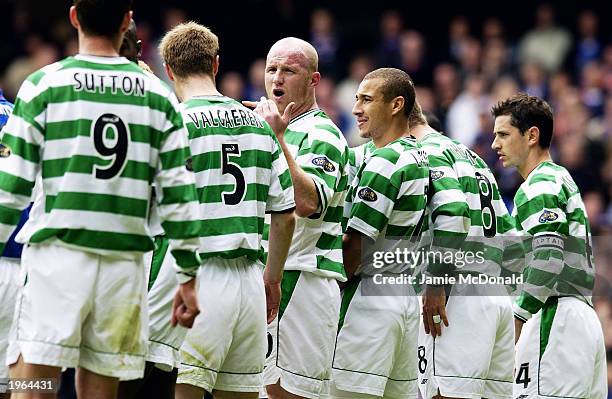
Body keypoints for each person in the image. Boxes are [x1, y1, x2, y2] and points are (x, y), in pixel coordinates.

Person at [0, 1, 203, 398]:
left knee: (34, 382)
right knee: (98, 389)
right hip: (123, 267)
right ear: (128, 20)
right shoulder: (157, 96)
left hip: (57, 258)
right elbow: (179, 196)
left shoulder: (44, 84)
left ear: (74, 17)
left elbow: (12, 189)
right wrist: (188, 275)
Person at [160, 23, 296, 399]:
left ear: (169, 70)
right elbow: (286, 214)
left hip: (196, 279)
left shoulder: (175, 123)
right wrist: (272, 280)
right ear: (216, 65)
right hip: (250, 283)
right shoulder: (259, 125)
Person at [244, 37, 349, 399]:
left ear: (314, 80)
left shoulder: (324, 133)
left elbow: (307, 202)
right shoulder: (260, 128)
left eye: (289, 70)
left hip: (304, 278)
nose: (277, 78)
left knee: (291, 393)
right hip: (266, 276)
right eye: (272, 69)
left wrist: (276, 138)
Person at [491, 93, 607, 399]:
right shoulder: (560, 178)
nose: (495, 145)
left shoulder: (538, 184)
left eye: (503, 134)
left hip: (554, 321)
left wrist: (517, 318)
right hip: (582, 319)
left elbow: (548, 259)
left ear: (532, 135)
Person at [408, 99, 522, 399]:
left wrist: (436, 283)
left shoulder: (423, 152)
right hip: (495, 295)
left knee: (443, 394)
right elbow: (511, 240)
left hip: (455, 296)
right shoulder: (472, 158)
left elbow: (454, 212)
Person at [330, 68, 428, 399]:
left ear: (396, 105)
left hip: (368, 298)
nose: (356, 108)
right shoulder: (417, 154)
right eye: (356, 98)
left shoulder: (386, 160)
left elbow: (355, 243)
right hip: (403, 294)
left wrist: (333, 290)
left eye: (367, 100)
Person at [115, 18, 187, 399]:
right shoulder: (162, 98)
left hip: (87, 241)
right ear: (140, 48)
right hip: (150, 247)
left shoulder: (60, 85)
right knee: (154, 366)